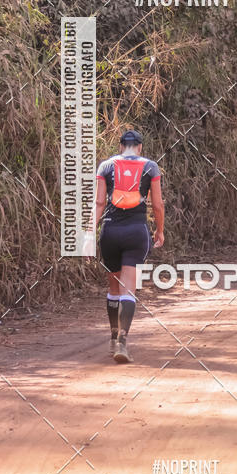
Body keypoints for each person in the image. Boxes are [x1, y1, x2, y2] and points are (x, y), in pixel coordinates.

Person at [93, 129, 164, 363]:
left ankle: (113, 337)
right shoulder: (151, 167)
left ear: (121, 146)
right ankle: (123, 342)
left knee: (113, 289)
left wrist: (87, 234)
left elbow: (100, 202)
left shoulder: (105, 166)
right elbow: (158, 205)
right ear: (140, 147)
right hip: (136, 232)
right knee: (128, 290)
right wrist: (160, 230)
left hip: (110, 232)